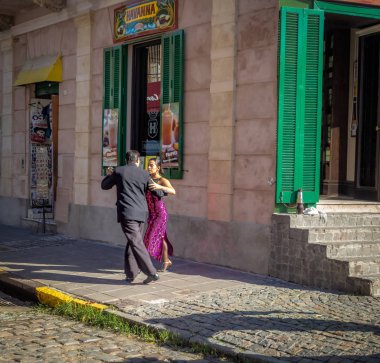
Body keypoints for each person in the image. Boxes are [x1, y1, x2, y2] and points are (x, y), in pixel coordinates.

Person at [101, 150, 159, 284]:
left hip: (127, 212)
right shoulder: (145, 173)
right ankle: (131, 274)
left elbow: (104, 186)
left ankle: (151, 272)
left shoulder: (119, 171)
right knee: (133, 241)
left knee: (136, 242)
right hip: (141, 213)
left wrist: (109, 174)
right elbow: (156, 191)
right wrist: (165, 189)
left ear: (127, 160)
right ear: (138, 161)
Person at [144, 157, 176, 272]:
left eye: (151, 165)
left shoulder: (161, 180)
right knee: (161, 237)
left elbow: (173, 191)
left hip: (161, 214)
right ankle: (166, 261)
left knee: (152, 237)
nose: (148, 167)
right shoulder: (147, 178)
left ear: (158, 168)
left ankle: (144, 265)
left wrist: (159, 186)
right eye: (148, 165)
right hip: (151, 214)